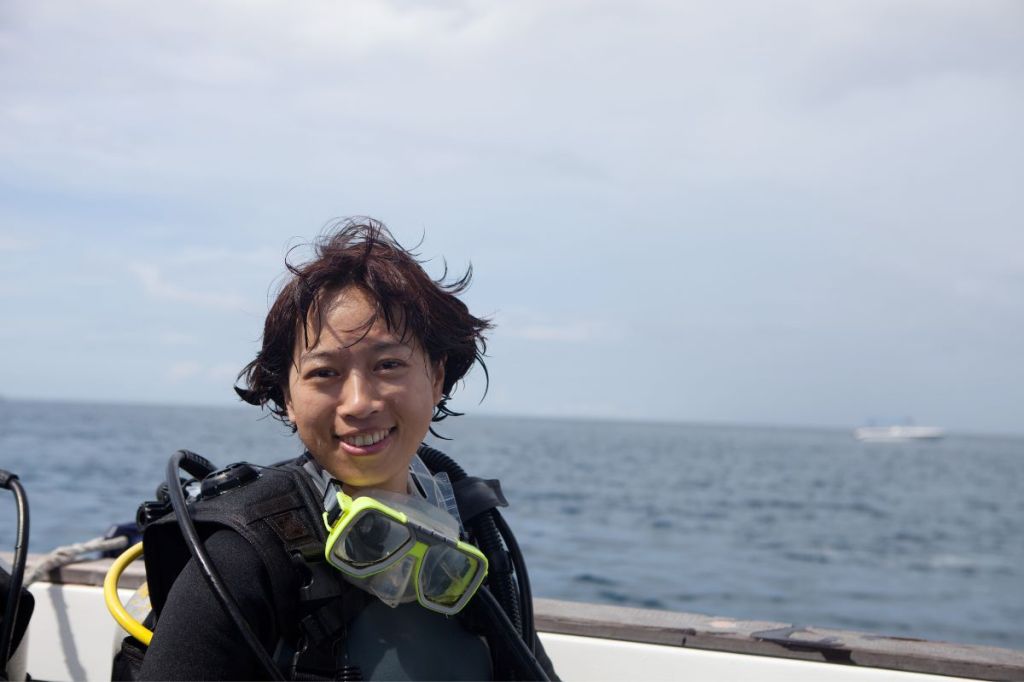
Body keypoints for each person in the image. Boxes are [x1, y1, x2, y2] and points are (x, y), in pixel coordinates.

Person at [135, 219, 557, 680]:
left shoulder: (475, 536)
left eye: (389, 364)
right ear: (287, 398)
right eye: (324, 373)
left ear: (436, 377)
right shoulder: (242, 559)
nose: (359, 403)